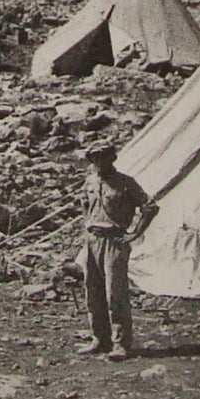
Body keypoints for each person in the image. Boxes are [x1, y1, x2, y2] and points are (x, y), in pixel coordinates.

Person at [77, 143, 158, 362]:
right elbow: (85, 206)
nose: (97, 163)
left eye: (101, 158)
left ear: (111, 158)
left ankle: (121, 343)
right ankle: (99, 339)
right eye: (93, 159)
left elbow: (150, 207)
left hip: (114, 240)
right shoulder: (90, 181)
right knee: (92, 290)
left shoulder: (125, 183)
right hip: (92, 239)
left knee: (115, 292)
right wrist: (88, 227)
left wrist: (133, 234)